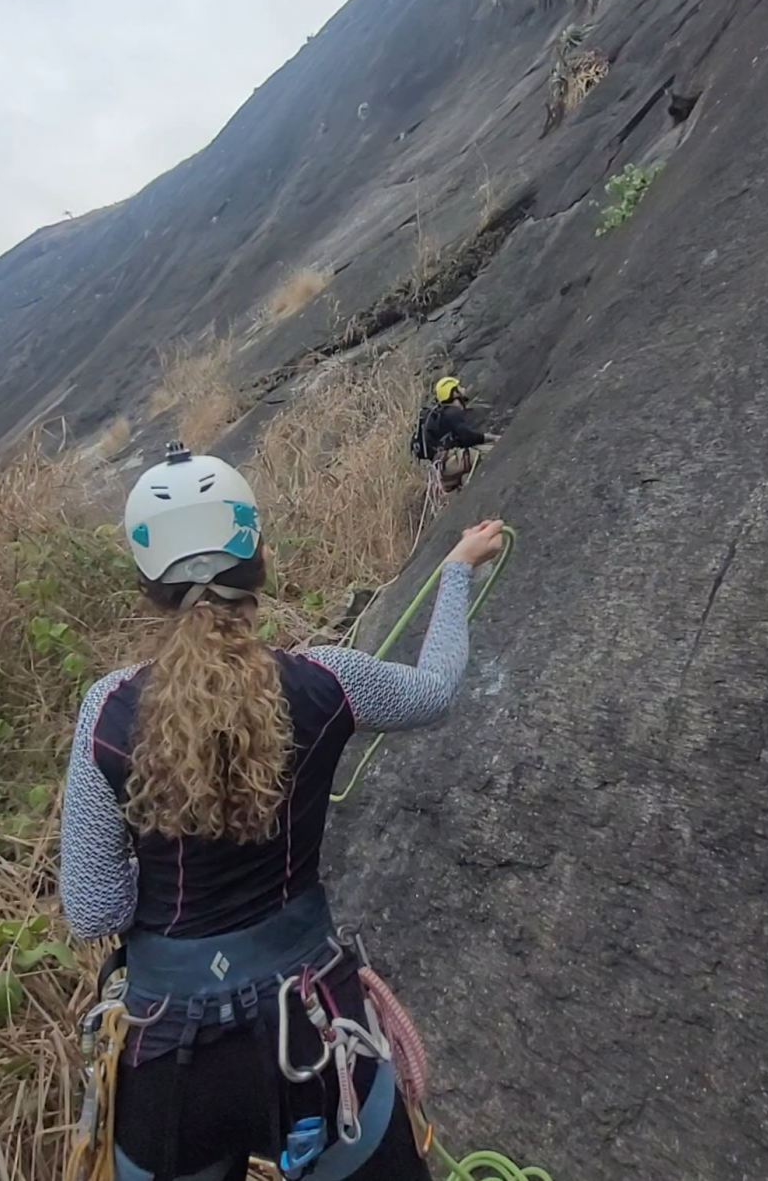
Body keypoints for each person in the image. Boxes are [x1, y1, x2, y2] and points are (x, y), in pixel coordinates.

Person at [60, 441, 504, 1181]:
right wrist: (456, 569)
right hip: (318, 1032)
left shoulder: (106, 711)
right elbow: (435, 687)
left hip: (170, 1054)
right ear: (257, 559)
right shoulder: (328, 680)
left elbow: (92, 905)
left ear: (147, 587)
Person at [418, 377, 499, 493]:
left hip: (442, 466)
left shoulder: (443, 414)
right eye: (459, 387)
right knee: (492, 452)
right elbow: (468, 438)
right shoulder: (453, 413)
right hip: (450, 461)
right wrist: (492, 438)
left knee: (467, 472)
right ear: (454, 393)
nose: (463, 389)